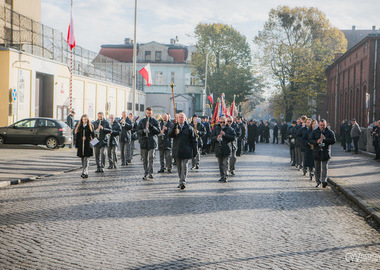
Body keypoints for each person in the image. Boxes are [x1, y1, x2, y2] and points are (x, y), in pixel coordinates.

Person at [169, 112, 197, 189]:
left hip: (186, 151)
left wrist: (195, 151)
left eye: (182, 117)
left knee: (184, 166)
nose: (180, 118)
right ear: (177, 119)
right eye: (179, 117)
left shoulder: (189, 128)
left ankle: (182, 182)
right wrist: (174, 127)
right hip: (177, 151)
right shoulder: (175, 127)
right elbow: (169, 135)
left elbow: (194, 141)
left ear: (185, 119)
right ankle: (180, 180)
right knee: (179, 168)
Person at [308, 119, 336, 188]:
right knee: (317, 168)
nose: (322, 126)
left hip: (325, 152)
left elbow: (333, 141)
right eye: (321, 125)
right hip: (317, 152)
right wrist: (316, 141)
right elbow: (310, 140)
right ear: (319, 125)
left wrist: (325, 139)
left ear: (326, 125)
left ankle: (324, 181)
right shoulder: (314, 132)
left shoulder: (329, 132)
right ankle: (318, 181)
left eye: (323, 125)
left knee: (324, 168)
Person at [137, 107, 160, 180]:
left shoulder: (155, 121)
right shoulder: (142, 121)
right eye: (147, 113)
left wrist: (151, 126)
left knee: (151, 158)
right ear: (145, 113)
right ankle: (145, 172)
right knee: (144, 159)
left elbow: (158, 131)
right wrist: (143, 131)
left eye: (150, 113)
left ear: (152, 113)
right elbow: (138, 130)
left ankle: (151, 173)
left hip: (152, 142)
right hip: (144, 142)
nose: (148, 114)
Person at [211, 116, 236, 182]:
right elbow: (212, 137)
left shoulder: (230, 129)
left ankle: (225, 176)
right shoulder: (216, 128)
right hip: (218, 148)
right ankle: (222, 176)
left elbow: (233, 137)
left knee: (225, 163)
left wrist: (225, 135)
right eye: (221, 122)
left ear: (226, 122)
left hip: (226, 148)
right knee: (220, 164)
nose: (222, 123)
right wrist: (216, 138)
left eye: (224, 122)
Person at [75, 114, 95, 179]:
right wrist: (77, 145)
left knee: (86, 159)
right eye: (83, 119)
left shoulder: (90, 126)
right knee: (82, 159)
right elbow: (77, 136)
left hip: (87, 145)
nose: (84, 120)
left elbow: (93, 136)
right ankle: (83, 170)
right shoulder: (80, 127)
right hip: (81, 145)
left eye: (86, 119)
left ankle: (85, 172)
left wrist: (88, 139)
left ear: (87, 120)